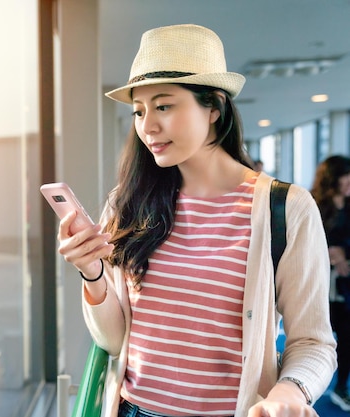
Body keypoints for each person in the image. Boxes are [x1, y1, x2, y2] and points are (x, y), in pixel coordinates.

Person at [56, 24, 336, 417]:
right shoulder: (128, 203)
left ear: (214, 108)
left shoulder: (285, 208)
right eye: (139, 110)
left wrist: (289, 392)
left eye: (164, 105)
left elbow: (314, 342)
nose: (147, 126)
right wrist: (92, 272)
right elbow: (117, 341)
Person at [311, 155, 350, 412]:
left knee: (346, 337)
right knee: (316, 339)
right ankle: (307, 387)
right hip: (320, 285)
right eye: (345, 176)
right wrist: (329, 253)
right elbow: (303, 244)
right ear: (333, 179)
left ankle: (339, 387)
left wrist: (343, 253)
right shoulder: (314, 205)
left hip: (345, 284)